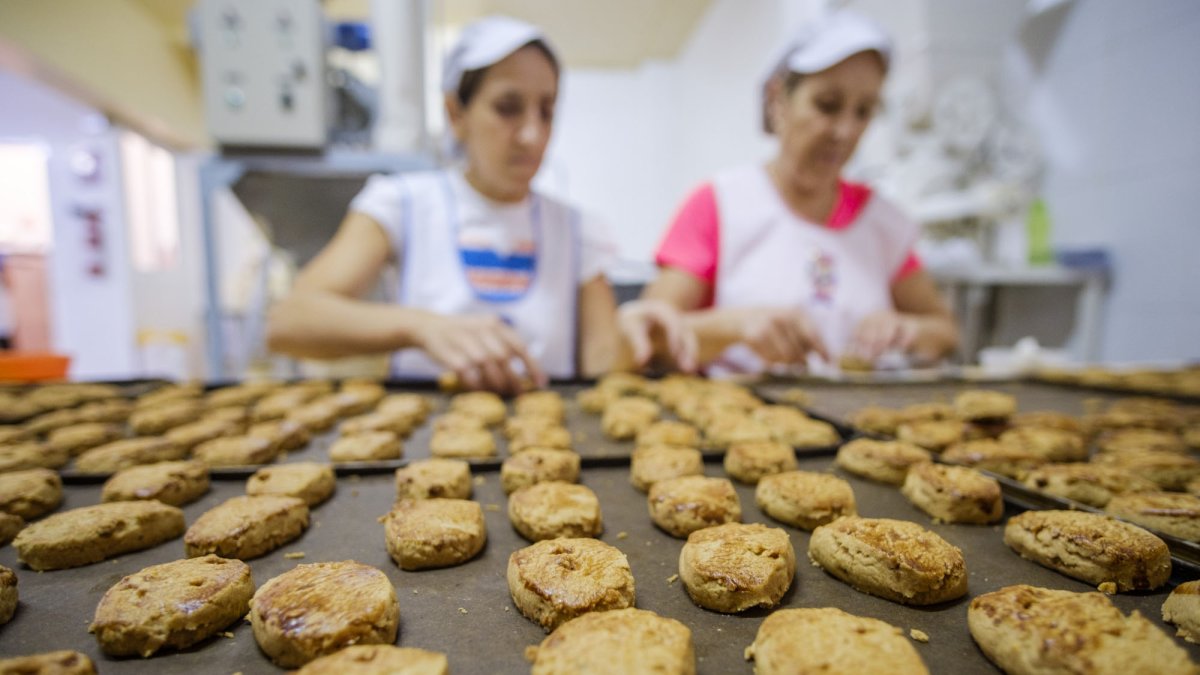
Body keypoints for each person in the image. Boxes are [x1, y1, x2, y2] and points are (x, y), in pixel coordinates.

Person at [268, 16, 693, 393]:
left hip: (548, 443)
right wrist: (421, 326)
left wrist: (635, 334)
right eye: (508, 108)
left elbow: (601, 364)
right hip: (422, 446)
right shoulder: (403, 204)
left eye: (546, 111)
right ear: (456, 113)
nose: (533, 135)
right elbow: (290, 322)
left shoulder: (577, 230)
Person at [642, 10, 958, 373]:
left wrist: (909, 330)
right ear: (778, 99)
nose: (845, 131)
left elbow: (945, 331)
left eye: (864, 111)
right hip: (744, 418)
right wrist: (735, 326)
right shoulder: (721, 204)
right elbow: (652, 336)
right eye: (827, 105)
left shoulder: (882, 222)